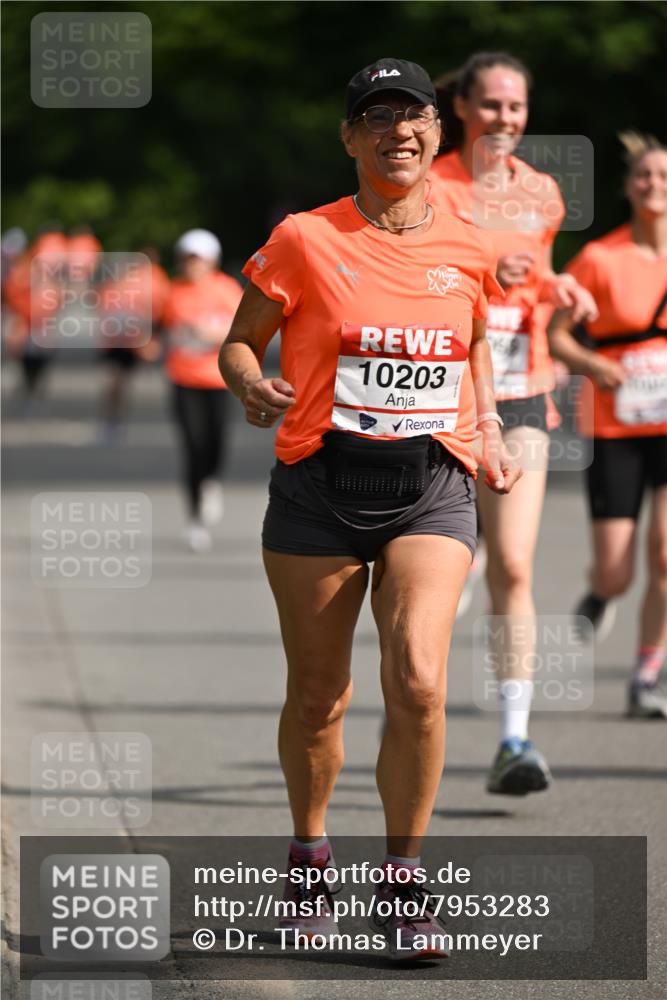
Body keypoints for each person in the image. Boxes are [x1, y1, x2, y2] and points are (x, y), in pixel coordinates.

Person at [219, 57, 520, 961]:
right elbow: (239, 341)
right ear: (350, 138)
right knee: (319, 696)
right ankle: (309, 859)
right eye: (378, 117)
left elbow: (470, 346)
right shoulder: (305, 238)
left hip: (431, 483)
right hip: (318, 487)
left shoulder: (468, 242)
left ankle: (403, 882)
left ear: (439, 133)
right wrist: (250, 385)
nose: (400, 130)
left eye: (415, 116)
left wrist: (492, 425)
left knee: (420, 679)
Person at [428, 52, 598, 795]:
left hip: (522, 392)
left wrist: (555, 288)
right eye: (491, 104)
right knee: (440, 562)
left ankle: (513, 738)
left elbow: (537, 285)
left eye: (516, 107)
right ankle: (414, 701)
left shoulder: (541, 193)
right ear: (462, 107)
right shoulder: (426, 183)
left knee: (516, 565)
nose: (504, 118)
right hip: (439, 393)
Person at [548, 133, 667, 719]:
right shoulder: (600, 257)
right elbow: (556, 333)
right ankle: (602, 592)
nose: (654, 185)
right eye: (644, 175)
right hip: (615, 427)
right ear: (628, 187)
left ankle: (646, 673)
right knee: (618, 569)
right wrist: (593, 363)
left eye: (664, 175)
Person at [162, 229, 243, 552]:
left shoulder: (226, 289)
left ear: (211, 261)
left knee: (216, 444)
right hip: (183, 379)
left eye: (198, 260)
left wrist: (212, 333)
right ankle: (195, 518)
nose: (192, 266)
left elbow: (242, 329)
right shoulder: (174, 292)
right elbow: (162, 329)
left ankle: (211, 481)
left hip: (219, 380)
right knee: (193, 445)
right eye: (187, 259)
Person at [98, 247, 170, 442]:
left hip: (126, 338)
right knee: (119, 380)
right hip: (127, 338)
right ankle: (114, 420)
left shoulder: (143, 278)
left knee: (118, 380)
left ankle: (113, 420)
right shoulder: (153, 278)